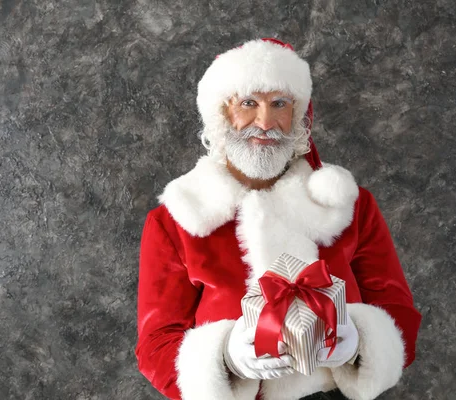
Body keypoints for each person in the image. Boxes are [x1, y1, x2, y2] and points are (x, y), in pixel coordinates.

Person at [136, 38, 422, 400]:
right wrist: (227, 358)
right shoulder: (176, 219)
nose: (266, 122)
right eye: (248, 103)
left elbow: (399, 316)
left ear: (298, 114)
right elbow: (154, 346)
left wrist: (358, 342)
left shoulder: (352, 205)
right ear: (221, 113)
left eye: (280, 103)